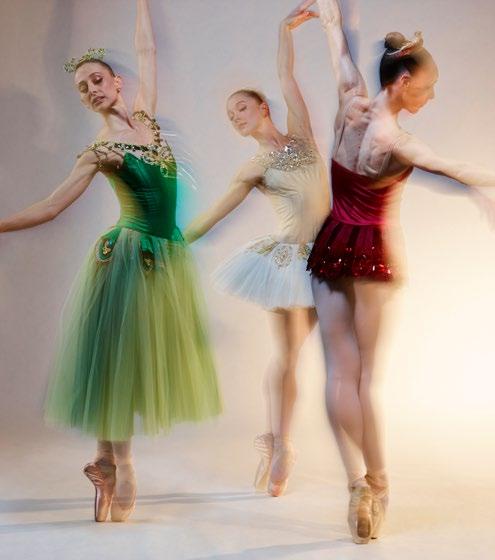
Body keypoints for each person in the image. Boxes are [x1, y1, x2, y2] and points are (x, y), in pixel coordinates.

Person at [0, 0, 221, 523]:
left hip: (164, 258)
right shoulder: (102, 150)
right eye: (82, 88)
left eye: (97, 80)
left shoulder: (146, 117)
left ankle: (104, 460)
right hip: (128, 258)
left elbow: (148, 49)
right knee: (116, 363)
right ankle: (122, 464)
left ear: (118, 82)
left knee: (131, 364)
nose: (91, 90)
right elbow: (52, 205)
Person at [306, 0, 495, 544]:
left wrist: (326, 13)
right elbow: (454, 169)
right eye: (427, 88)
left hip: (331, 241)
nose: (430, 97)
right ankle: (379, 483)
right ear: (405, 81)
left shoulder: (351, 101)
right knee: (368, 379)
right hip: (371, 251)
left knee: (338, 374)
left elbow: (339, 48)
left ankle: (354, 484)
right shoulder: (397, 140)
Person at [185, 2, 329, 497]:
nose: (235, 118)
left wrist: (285, 29)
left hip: (330, 256)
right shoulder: (253, 167)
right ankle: (281, 443)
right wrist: (173, 239)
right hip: (290, 262)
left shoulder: (302, 135)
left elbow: (287, 75)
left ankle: (278, 440)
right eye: (230, 117)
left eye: (241, 109)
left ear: (263, 107)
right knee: (289, 355)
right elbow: (217, 212)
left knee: (323, 353)